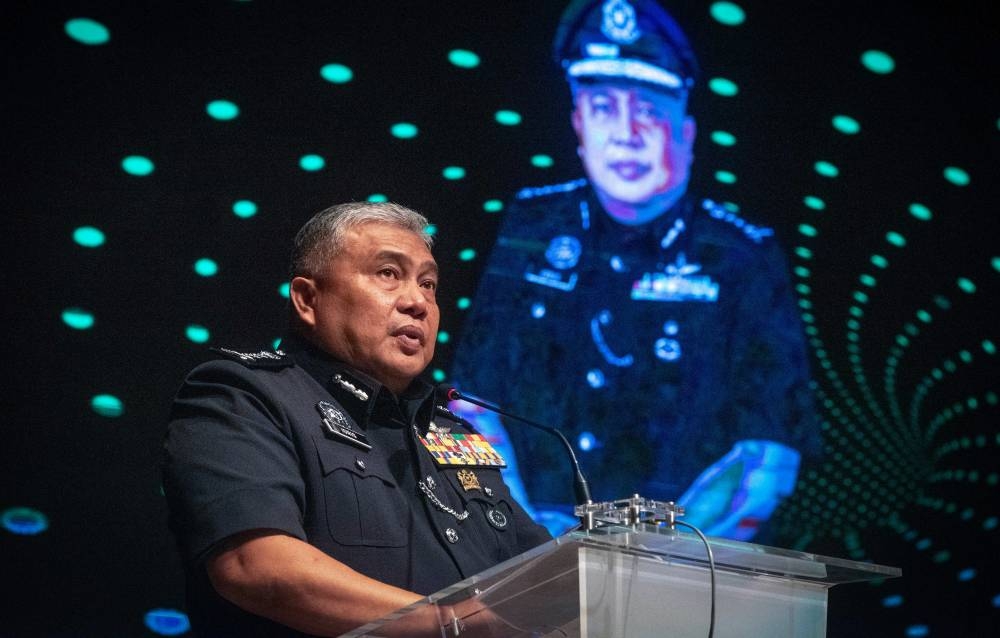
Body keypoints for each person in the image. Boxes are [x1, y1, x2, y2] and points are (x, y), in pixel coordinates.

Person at [450, 0, 819, 541]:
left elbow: (771, 454)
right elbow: (471, 405)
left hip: (694, 569)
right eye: (602, 107)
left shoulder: (741, 252)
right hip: (533, 558)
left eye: (647, 108)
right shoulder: (531, 227)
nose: (625, 133)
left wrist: (670, 556)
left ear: (687, 130)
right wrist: (526, 535)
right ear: (578, 124)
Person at [163, 202, 551, 636]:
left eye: (428, 283)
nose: (417, 302)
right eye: (388, 274)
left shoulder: (452, 430)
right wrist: (453, 624)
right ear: (308, 300)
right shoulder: (244, 396)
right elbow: (254, 566)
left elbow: (551, 580)